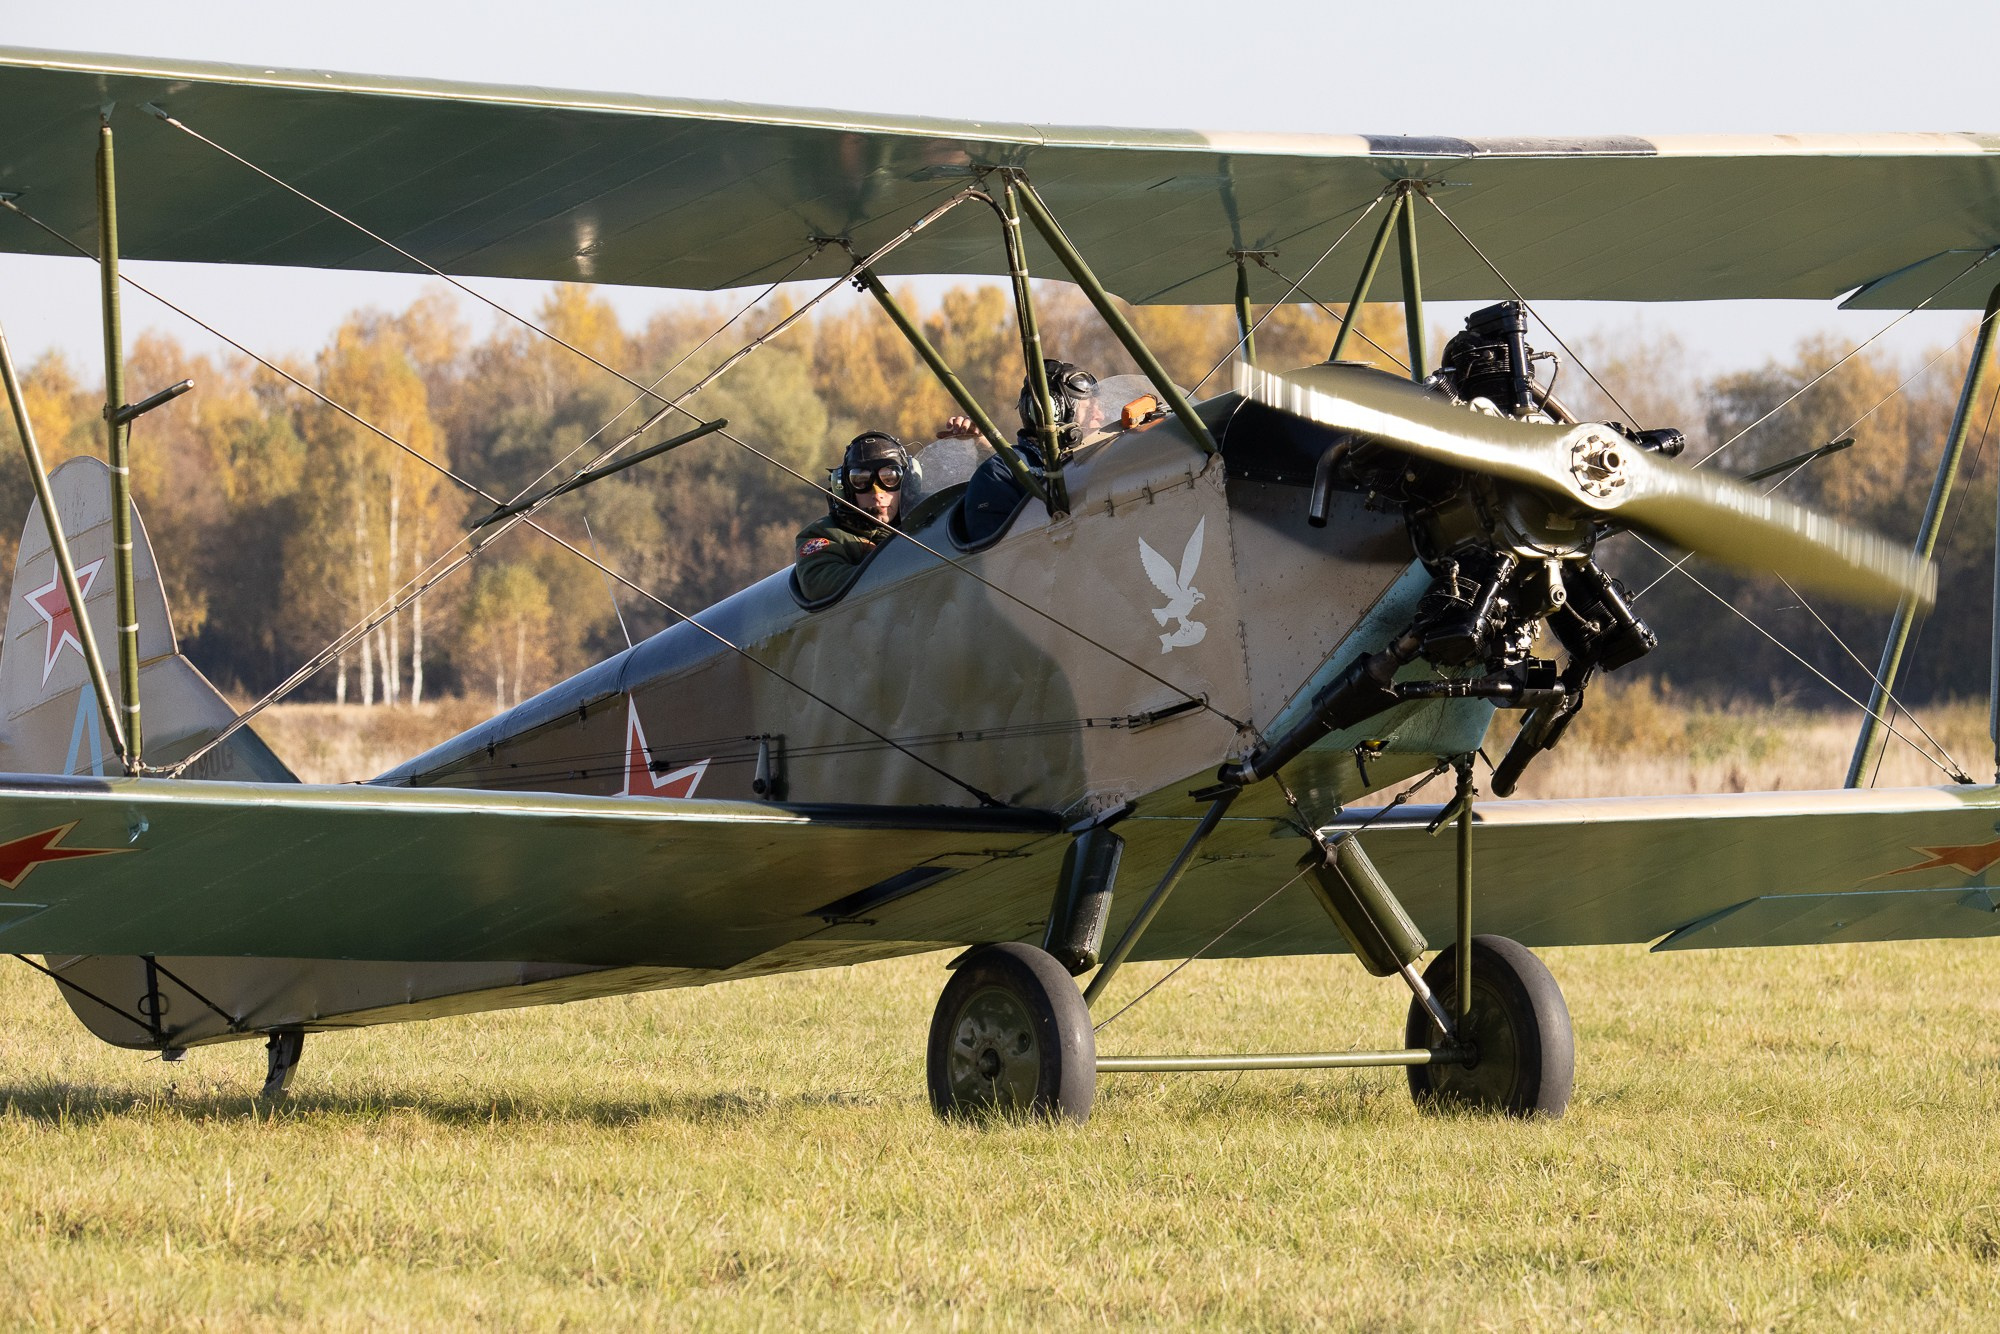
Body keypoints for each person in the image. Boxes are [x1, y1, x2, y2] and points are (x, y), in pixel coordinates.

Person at [954, 359, 1098, 546]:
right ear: (1054, 413)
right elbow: (1000, 556)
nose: (1100, 416)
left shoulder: (1094, 459)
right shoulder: (999, 474)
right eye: (1090, 410)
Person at [793, 430, 912, 602]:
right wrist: (901, 563)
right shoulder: (822, 534)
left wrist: (956, 445)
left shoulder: (927, 516)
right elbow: (817, 584)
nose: (877, 494)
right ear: (844, 488)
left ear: (908, 480)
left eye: (890, 477)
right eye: (861, 481)